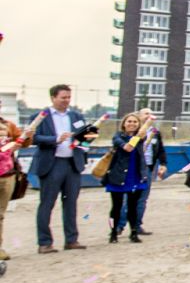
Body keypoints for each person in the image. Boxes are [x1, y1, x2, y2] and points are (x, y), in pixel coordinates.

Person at [31, 83, 97, 253]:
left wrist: (87, 136)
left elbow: (87, 137)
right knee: (47, 204)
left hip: (72, 164)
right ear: (53, 97)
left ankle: (71, 239)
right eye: (63, 98)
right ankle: (44, 242)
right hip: (52, 164)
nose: (66, 101)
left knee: (71, 204)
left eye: (68, 97)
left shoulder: (76, 115)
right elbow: (33, 137)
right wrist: (55, 139)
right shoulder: (40, 116)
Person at [103, 113, 150, 243]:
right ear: (124, 123)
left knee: (133, 206)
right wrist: (136, 136)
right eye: (129, 121)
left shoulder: (141, 137)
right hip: (118, 175)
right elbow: (128, 147)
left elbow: (142, 137)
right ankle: (113, 232)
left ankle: (134, 232)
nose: (132, 124)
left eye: (135, 122)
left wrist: (145, 126)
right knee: (116, 207)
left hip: (135, 175)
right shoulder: (117, 136)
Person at [133, 109, 170, 234]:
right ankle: (119, 226)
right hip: (133, 168)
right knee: (128, 198)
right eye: (146, 114)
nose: (149, 116)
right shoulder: (132, 131)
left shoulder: (155, 133)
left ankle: (137, 226)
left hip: (148, 168)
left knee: (142, 198)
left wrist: (163, 164)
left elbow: (161, 150)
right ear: (139, 116)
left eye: (151, 114)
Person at [0, 107, 23, 263]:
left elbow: (25, 141)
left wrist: (22, 140)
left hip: (7, 174)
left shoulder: (8, 125)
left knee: (0, 214)